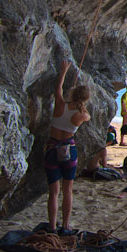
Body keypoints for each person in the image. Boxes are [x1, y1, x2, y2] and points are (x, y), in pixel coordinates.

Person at [44, 60, 91, 235]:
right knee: (67, 189)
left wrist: (64, 71)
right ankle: (66, 225)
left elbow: (58, 89)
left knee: (53, 192)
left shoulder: (61, 104)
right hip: (68, 150)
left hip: (51, 147)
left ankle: (52, 226)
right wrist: (81, 103)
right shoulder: (82, 115)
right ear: (85, 99)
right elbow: (88, 116)